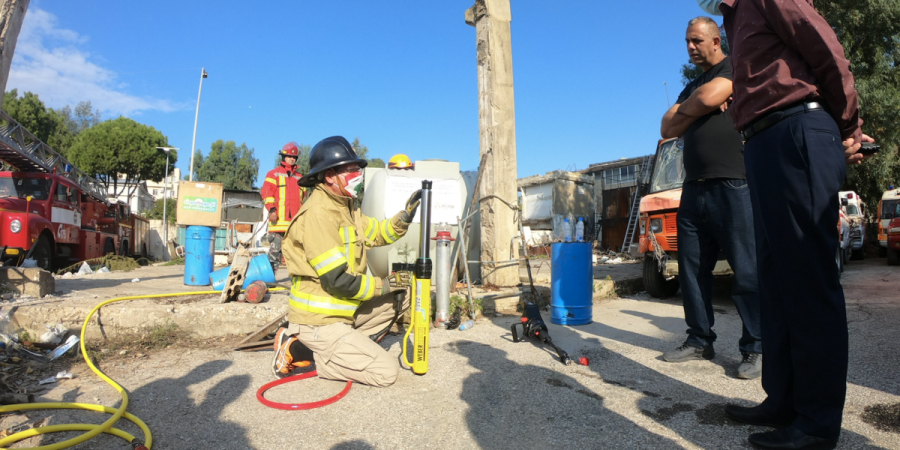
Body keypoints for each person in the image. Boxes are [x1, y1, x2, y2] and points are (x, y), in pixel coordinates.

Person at [696, 0, 875, 448]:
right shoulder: (733, 17)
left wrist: (848, 125)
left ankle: (816, 422)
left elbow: (825, 48)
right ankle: (785, 400)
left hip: (796, 129)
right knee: (774, 280)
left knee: (808, 282)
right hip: (761, 144)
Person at [273, 135, 422, 387]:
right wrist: (384, 285)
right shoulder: (319, 214)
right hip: (319, 320)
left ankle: (344, 346)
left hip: (343, 312)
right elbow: (338, 281)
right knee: (385, 372)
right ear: (330, 176)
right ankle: (300, 350)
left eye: (357, 169)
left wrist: (404, 218)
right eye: (351, 170)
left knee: (405, 292)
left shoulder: (345, 207)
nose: (357, 175)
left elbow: (376, 232)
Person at [659, 16, 762, 379]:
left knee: (746, 270)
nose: (690, 47)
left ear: (716, 41)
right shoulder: (692, 84)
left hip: (733, 184)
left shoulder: (736, 64)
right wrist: (698, 103)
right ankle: (699, 339)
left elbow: (708, 98)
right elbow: (666, 126)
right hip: (693, 188)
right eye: (687, 41)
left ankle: (755, 347)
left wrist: (694, 107)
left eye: (696, 41)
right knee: (691, 270)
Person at [260, 142, 304, 273]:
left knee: (296, 254)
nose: (292, 159)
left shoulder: (300, 178)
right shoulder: (273, 174)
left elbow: (304, 199)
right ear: (283, 157)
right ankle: (268, 279)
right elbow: (267, 193)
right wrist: (272, 209)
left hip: (294, 224)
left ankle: (297, 280)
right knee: (275, 254)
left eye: (294, 157)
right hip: (278, 222)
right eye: (289, 156)